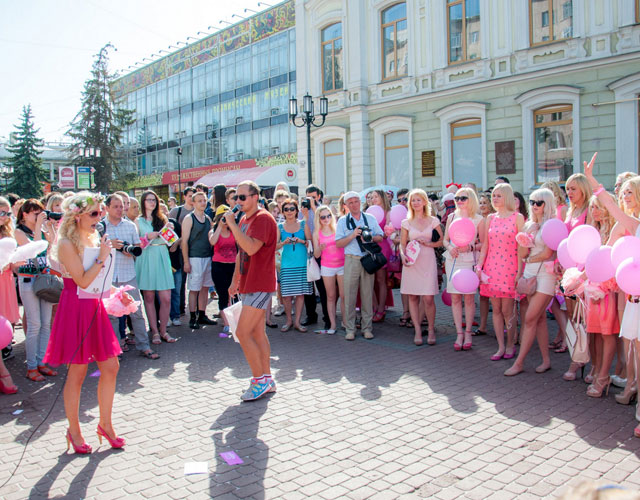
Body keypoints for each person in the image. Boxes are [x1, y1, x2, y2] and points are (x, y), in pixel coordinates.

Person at [43, 192, 124, 453]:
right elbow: (82, 280)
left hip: (93, 306)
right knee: (77, 372)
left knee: (111, 366)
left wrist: (117, 295)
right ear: (76, 215)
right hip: (75, 307)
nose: (99, 217)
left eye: (100, 213)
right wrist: (102, 256)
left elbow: (98, 281)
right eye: (94, 213)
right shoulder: (66, 242)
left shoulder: (91, 237)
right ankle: (74, 431)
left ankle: (105, 424)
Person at [224, 180, 278, 401]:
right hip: (249, 283)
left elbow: (251, 247)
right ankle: (266, 378)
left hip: (260, 284)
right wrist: (235, 280)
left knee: (242, 332)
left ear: (255, 197)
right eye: (237, 197)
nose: (238, 202)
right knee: (256, 333)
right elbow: (241, 253)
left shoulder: (263, 218)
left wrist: (233, 225)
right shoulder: (245, 219)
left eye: (242, 197)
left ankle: (259, 380)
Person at [504, 188, 557, 376]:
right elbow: (521, 252)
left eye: (539, 203)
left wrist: (529, 259)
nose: (534, 206)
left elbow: (548, 253)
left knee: (529, 318)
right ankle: (546, 360)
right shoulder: (529, 225)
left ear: (547, 204)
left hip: (546, 276)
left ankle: (519, 362)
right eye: (532, 202)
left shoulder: (552, 224)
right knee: (539, 319)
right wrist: (522, 267)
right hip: (529, 273)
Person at [103, 194, 159, 360]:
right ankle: (114, 350)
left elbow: (136, 247)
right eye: (116, 206)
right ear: (106, 208)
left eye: (122, 206)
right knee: (111, 316)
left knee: (136, 312)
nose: (120, 209)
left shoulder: (129, 226)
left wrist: (130, 251)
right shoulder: (100, 227)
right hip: (110, 275)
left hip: (128, 274)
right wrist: (109, 245)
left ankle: (144, 346)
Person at [476, 183, 525, 361]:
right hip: (492, 267)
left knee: (508, 310)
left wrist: (520, 271)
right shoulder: (490, 218)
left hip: (510, 268)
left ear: (507, 197)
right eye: (493, 196)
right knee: (495, 309)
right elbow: (485, 246)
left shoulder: (518, 218)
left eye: (498, 195)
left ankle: (511, 344)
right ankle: (501, 346)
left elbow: (521, 248)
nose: (494, 199)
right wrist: (479, 266)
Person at [15, 199, 58, 382]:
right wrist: (40, 226)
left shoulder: (39, 229)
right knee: (34, 325)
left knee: (46, 323)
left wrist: (50, 227)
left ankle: (42, 362)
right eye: (35, 213)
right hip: (29, 280)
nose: (38, 216)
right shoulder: (19, 232)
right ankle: (31, 366)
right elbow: (35, 250)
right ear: (25, 214)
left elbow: (51, 246)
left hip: (45, 279)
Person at [336, 191, 384, 341]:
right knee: (349, 295)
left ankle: (367, 328)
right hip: (351, 259)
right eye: (350, 202)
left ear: (360, 202)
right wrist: (352, 235)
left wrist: (368, 237)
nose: (354, 204)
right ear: (346, 205)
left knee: (367, 294)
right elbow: (338, 243)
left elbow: (381, 237)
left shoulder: (369, 218)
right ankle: (350, 328)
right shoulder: (343, 221)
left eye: (356, 201)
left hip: (367, 259)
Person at [400, 189, 443, 346]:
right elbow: (402, 244)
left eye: (418, 200)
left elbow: (442, 241)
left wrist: (430, 244)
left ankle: (431, 329)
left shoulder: (433, 220)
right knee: (412, 296)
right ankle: (417, 330)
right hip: (412, 261)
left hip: (427, 259)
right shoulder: (406, 222)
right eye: (413, 200)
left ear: (425, 202)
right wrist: (402, 256)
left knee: (428, 297)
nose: (415, 203)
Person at [443, 188, 483, 350]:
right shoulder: (452, 216)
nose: (459, 201)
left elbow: (484, 243)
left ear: (471, 199)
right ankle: (459, 333)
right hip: (453, 260)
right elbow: (445, 240)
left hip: (469, 261)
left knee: (468, 298)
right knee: (455, 298)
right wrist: (449, 247)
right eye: (457, 198)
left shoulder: (479, 219)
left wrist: (471, 247)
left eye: (463, 198)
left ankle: (468, 333)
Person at [135, 191, 176, 345]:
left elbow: (171, 243)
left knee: (166, 298)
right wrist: (147, 237)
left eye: (154, 200)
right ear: (143, 202)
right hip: (146, 258)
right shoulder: (138, 221)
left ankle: (164, 330)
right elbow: (135, 244)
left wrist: (169, 231)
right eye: (148, 200)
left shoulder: (163, 218)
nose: (152, 202)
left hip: (162, 256)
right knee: (149, 297)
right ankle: (155, 332)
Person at [181, 191, 217, 329]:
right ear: (193, 203)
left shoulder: (208, 218)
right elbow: (184, 241)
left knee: (205, 287)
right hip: (194, 257)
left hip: (207, 256)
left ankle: (202, 314)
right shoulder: (189, 218)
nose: (203, 203)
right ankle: (192, 316)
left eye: (204, 200)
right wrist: (186, 261)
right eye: (200, 200)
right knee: (194, 288)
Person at [277, 198, 313, 332]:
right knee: (286, 295)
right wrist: (283, 243)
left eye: (292, 209)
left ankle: (297, 322)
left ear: (296, 211)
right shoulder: (279, 227)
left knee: (300, 294)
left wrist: (301, 241)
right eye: (286, 209)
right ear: (283, 212)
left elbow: (310, 243)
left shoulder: (303, 224)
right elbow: (274, 247)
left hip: (302, 264)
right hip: (286, 265)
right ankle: (289, 321)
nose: (289, 211)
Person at [313, 205, 345, 334]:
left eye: (328, 216)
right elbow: (316, 255)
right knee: (330, 296)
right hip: (327, 267)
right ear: (318, 219)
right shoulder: (317, 233)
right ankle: (332, 325)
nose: (326, 219)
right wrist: (320, 248)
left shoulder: (338, 228)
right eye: (323, 217)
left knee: (344, 296)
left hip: (342, 265)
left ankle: (345, 322)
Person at [301, 185, 329, 328]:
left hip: (320, 250)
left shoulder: (323, 210)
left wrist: (313, 207)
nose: (310, 199)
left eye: (313, 197)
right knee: (308, 286)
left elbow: (326, 225)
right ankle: (311, 315)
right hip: (307, 248)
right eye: (308, 197)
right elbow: (300, 226)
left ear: (318, 196)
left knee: (322, 286)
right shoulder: (302, 210)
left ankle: (327, 318)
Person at [369, 189, 393, 323]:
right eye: (371, 197)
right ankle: (374, 306)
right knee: (369, 280)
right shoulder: (368, 213)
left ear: (382, 198)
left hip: (382, 248)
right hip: (369, 249)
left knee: (381, 280)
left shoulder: (387, 213)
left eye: (376, 197)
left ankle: (381, 309)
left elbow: (386, 233)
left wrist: (376, 236)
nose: (373, 199)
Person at [0, 197, 19, 364]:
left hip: (6, 277)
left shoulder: (8, 232)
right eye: (2, 213)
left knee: (8, 312)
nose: (5, 217)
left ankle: (6, 344)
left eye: (7, 213)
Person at [209, 212, 237, 322]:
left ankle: (234, 320)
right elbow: (212, 241)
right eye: (223, 218)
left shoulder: (233, 231)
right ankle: (226, 323)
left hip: (233, 266)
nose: (225, 221)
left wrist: (232, 224)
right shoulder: (213, 231)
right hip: (219, 266)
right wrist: (220, 226)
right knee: (223, 294)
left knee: (234, 294)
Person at [475, 192, 495, 336]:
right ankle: (483, 325)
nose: (482, 205)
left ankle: (503, 324)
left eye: (484, 203)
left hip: (493, 258)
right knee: (482, 294)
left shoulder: (494, 219)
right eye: (480, 202)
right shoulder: (476, 219)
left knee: (495, 294)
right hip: (478, 257)